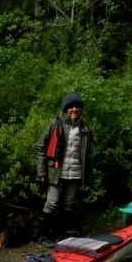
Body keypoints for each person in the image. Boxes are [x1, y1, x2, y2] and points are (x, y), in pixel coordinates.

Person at [35, 92, 93, 248]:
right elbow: (40, 147)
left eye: (77, 106)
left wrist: (88, 176)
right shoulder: (56, 123)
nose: (74, 109)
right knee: (52, 203)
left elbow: (88, 155)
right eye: (71, 106)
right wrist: (41, 171)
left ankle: (61, 234)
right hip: (56, 171)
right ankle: (42, 235)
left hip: (75, 172)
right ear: (66, 109)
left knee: (68, 204)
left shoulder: (84, 128)